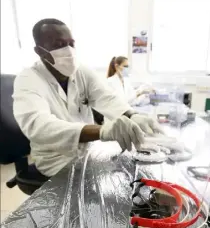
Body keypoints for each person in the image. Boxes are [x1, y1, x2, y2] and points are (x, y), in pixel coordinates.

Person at [13, 18, 162, 178]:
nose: (68, 50)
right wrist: (103, 130)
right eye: (58, 44)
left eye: (71, 43)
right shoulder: (28, 79)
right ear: (40, 51)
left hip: (89, 152)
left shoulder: (80, 71)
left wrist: (133, 115)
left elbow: (106, 97)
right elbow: (39, 126)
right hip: (55, 161)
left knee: (134, 170)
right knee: (119, 182)